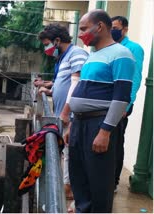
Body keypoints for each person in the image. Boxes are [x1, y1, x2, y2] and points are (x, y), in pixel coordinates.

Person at [65, 10, 135, 213]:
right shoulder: (93, 55)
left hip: (98, 123)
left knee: (98, 181)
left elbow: (121, 97)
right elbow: (82, 88)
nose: (81, 34)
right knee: (78, 175)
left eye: (84, 29)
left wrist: (105, 131)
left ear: (101, 27)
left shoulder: (121, 54)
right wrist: (72, 122)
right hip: (80, 123)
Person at [35, 24, 89, 201]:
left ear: (57, 41)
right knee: (66, 152)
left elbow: (77, 84)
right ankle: (67, 188)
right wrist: (49, 91)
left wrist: (66, 113)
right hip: (63, 114)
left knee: (70, 154)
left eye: (47, 43)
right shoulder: (62, 58)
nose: (46, 48)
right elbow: (64, 84)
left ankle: (69, 190)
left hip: (71, 116)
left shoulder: (77, 54)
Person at [111, 15, 144, 193]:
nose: (112, 30)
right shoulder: (111, 47)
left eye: (115, 27)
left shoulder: (133, 48)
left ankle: (114, 181)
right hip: (108, 103)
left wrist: (126, 104)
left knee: (116, 142)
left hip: (122, 104)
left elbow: (135, 78)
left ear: (125, 29)